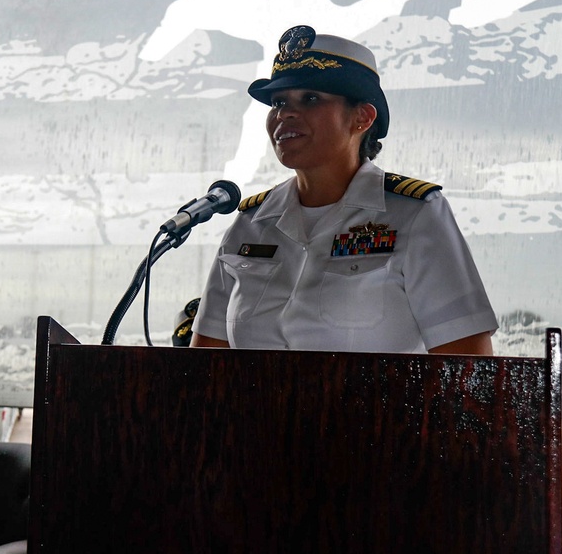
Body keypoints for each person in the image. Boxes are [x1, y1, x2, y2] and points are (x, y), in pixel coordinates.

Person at [191, 25, 497, 355]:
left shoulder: (414, 213)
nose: (286, 114)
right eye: (279, 102)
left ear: (362, 118)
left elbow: (468, 366)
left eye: (310, 98)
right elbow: (204, 368)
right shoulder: (252, 223)